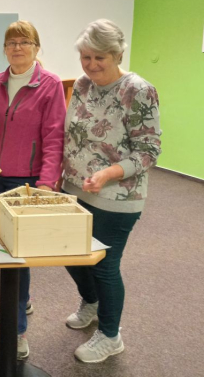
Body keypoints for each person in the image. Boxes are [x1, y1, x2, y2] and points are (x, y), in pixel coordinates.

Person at [62, 19, 161, 363]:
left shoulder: (138, 89)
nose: (91, 65)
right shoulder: (82, 85)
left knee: (103, 265)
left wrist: (107, 174)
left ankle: (110, 335)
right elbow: (72, 134)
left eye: (99, 57)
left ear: (118, 54)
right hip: (74, 189)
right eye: (86, 57)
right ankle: (91, 303)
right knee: (71, 256)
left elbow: (149, 150)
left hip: (117, 197)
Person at [0, 20, 66, 359]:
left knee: (17, 253)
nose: (17, 47)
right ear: (4, 49)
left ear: (36, 47)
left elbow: (54, 136)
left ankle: (16, 330)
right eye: (11, 42)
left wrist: (46, 183)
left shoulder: (50, 85)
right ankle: (18, 300)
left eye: (24, 42)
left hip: (25, 180)